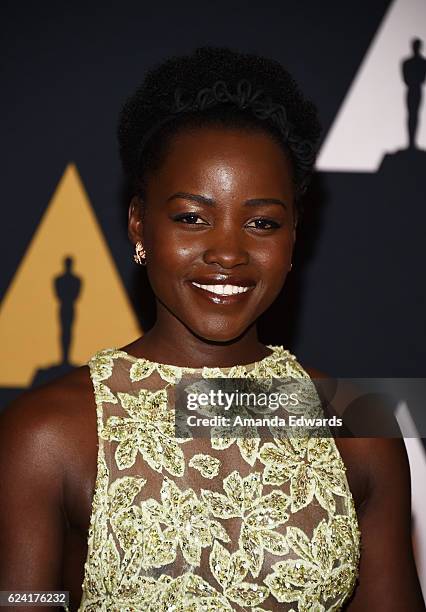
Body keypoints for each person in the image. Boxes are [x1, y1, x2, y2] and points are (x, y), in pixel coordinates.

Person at [0, 47, 424, 612]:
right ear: (138, 225)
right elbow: (27, 597)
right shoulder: (47, 433)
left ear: (294, 236)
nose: (227, 252)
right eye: (192, 218)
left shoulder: (354, 422)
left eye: (262, 223)